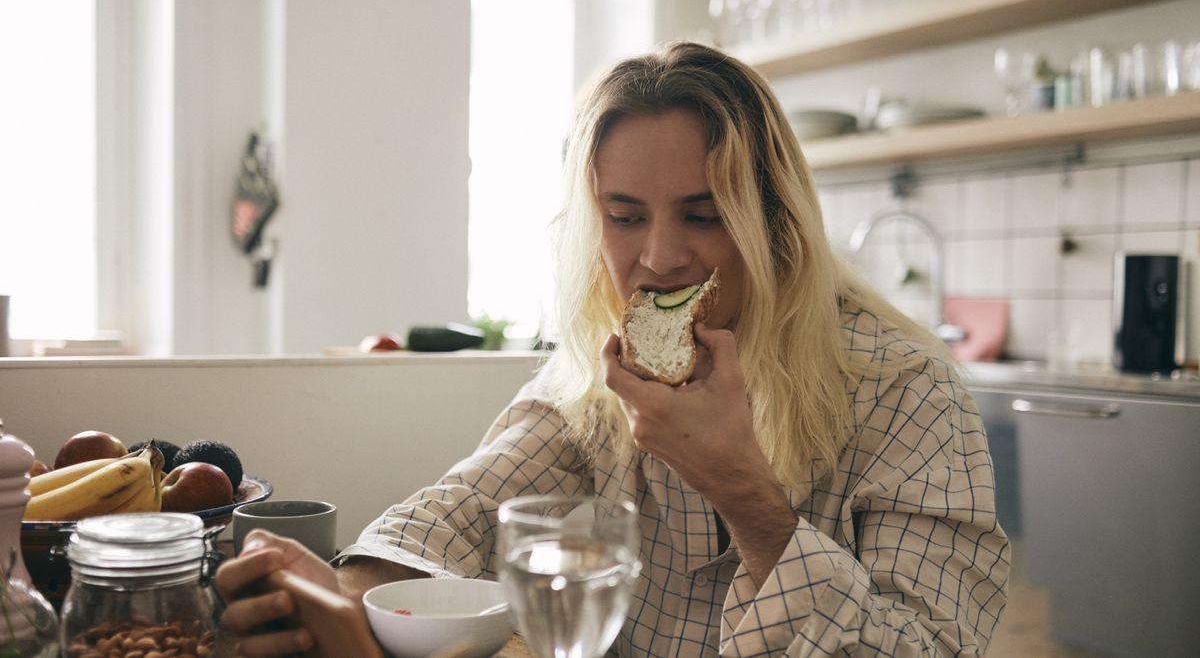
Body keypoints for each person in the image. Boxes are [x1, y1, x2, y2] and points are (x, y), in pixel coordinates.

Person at [217, 41, 1010, 657]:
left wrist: (744, 491)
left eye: (703, 215)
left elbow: (929, 643)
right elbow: (458, 513)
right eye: (626, 217)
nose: (661, 257)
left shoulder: (907, 391)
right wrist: (339, 593)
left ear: (777, 225)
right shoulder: (597, 384)